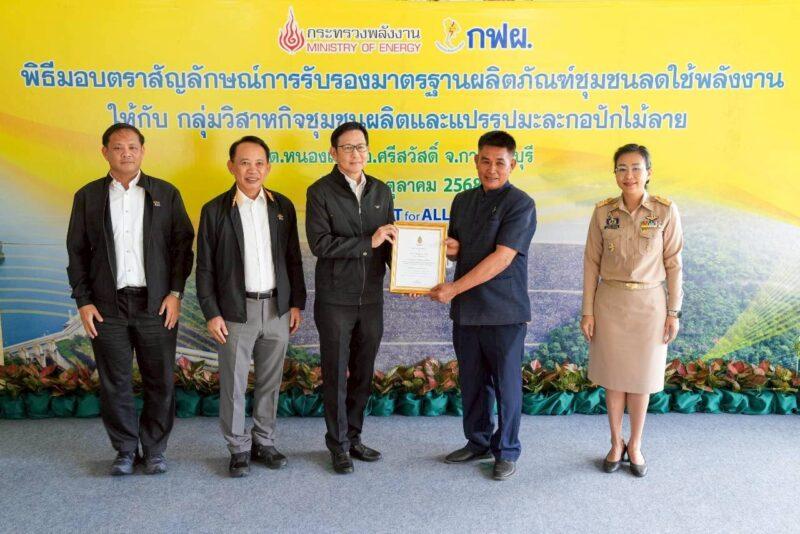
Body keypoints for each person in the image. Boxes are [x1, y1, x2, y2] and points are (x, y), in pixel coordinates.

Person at [66, 123, 194, 476]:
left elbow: (183, 248)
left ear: (143, 151)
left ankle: (154, 450)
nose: (126, 153)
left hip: (156, 304)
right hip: (106, 307)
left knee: (160, 380)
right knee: (115, 382)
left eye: (133, 147)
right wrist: (83, 301)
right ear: (104, 151)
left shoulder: (165, 193)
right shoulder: (88, 196)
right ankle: (124, 449)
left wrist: (175, 293)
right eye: (118, 147)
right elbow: (76, 252)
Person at [196, 135, 306, 478]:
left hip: (276, 308)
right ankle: (238, 448)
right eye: (244, 163)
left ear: (268, 167)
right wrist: (212, 312)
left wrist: (296, 304)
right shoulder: (215, 210)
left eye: (259, 163)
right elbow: (205, 268)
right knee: (233, 383)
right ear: (231, 167)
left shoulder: (282, 207)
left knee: (270, 381)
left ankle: (264, 441)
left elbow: (293, 259)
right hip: (235, 311)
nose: (252, 170)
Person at [429, 130, 537, 481]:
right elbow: (460, 250)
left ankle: (506, 450)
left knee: (506, 386)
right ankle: (477, 441)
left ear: (512, 165)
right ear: (476, 161)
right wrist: (438, 249)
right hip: (467, 310)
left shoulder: (521, 204)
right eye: (485, 161)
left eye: (500, 163)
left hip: (504, 311)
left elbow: (502, 258)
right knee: (473, 382)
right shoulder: (462, 201)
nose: (492, 169)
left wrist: (453, 288)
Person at [580, 143, 683, 477]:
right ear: (615, 174)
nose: (629, 175)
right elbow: (591, 263)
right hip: (609, 303)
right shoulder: (603, 212)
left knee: (641, 379)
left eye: (636, 168)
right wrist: (587, 311)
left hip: (650, 306)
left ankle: (635, 444)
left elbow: (674, 264)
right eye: (621, 169)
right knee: (613, 378)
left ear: (648, 172)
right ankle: (615, 442)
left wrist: (673, 312)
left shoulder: (665, 211)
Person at [305, 122, 396, 474]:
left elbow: (388, 244)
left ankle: (354, 437)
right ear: (333, 152)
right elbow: (320, 244)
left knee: (363, 372)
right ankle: (337, 444)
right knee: (335, 373)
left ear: (368, 151)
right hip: (335, 300)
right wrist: (366, 243)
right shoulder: (319, 191)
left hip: (371, 299)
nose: (355, 154)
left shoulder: (381, 191)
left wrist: (407, 276)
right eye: (347, 148)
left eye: (361, 147)